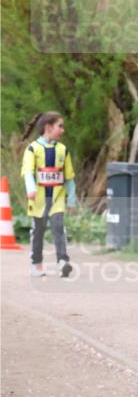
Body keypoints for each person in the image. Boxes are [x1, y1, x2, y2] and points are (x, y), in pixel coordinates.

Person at [20, 111, 76, 278]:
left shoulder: (63, 150)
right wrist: (31, 189)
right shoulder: (33, 149)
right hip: (38, 200)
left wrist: (71, 200)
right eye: (60, 126)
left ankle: (63, 261)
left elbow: (69, 178)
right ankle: (36, 264)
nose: (63, 130)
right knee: (38, 231)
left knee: (59, 228)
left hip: (57, 199)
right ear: (48, 127)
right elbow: (28, 172)